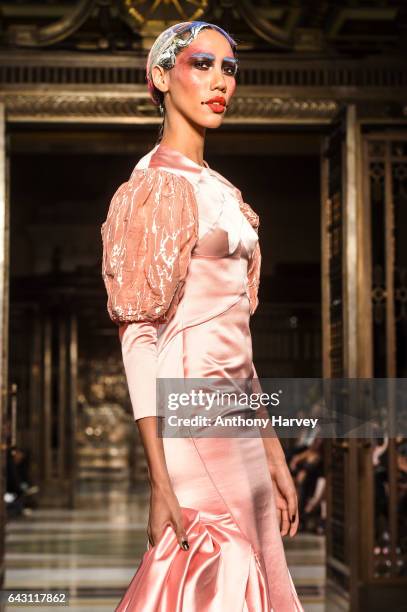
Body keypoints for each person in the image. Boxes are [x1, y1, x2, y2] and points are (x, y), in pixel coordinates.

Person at [101, 20, 303, 611]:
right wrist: (158, 481)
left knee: (254, 572)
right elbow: (138, 336)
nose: (221, 82)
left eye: (229, 69)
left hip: (239, 426)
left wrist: (272, 449)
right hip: (189, 423)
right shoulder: (151, 189)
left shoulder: (223, 191)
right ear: (161, 77)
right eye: (202, 64)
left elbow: (239, 344)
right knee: (215, 572)